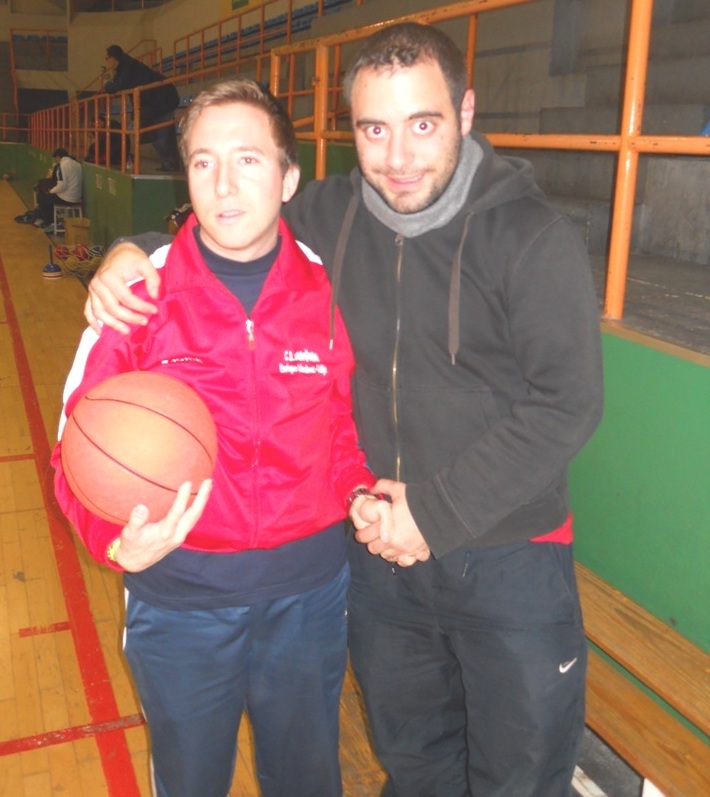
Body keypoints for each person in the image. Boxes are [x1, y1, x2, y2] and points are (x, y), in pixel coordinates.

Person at [84, 22, 604, 797]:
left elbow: (568, 404)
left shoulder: (531, 236)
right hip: (379, 549)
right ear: (351, 132)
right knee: (415, 761)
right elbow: (232, 213)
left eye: (422, 124)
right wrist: (129, 249)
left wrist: (435, 510)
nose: (397, 157)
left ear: (465, 112)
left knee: (520, 777)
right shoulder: (333, 213)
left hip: (508, 552)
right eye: (374, 129)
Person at [52, 78, 392, 797]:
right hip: (179, 600)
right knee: (190, 782)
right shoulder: (137, 295)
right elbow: (72, 451)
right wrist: (110, 540)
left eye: (248, 159)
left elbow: (340, 430)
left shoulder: (331, 290)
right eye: (204, 162)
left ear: (288, 176)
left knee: (306, 782)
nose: (225, 183)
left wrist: (356, 490)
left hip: (309, 597)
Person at [104, 44, 180, 172]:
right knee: (157, 137)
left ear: (113, 58)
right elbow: (113, 85)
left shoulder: (129, 66)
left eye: (107, 59)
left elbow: (117, 85)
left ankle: (171, 164)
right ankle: (169, 164)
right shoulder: (124, 68)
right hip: (154, 104)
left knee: (163, 137)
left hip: (163, 101)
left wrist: (110, 85)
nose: (107, 62)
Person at [30, 147, 82, 232]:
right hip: (77, 198)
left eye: (56, 159)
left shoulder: (61, 166)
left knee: (42, 198)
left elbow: (62, 186)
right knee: (49, 198)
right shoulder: (77, 164)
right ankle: (55, 222)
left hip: (67, 199)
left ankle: (51, 223)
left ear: (58, 157)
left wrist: (51, 191)